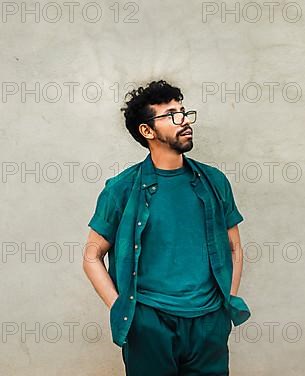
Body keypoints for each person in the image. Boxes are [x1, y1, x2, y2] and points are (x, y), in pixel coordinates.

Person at [83, 80, 251, 375]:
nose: (183, 120)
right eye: (171, 114)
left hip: (209, 321)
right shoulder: (121, 190)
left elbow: (235, 247)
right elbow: (91, 256)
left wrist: (225, 304)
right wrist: (124, 310)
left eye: (183, 112)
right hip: (150, 323)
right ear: (147, 131)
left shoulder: (214, 182)